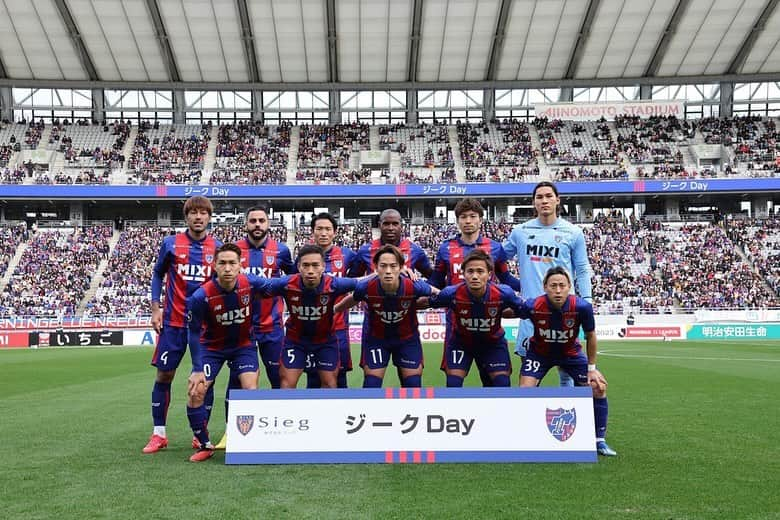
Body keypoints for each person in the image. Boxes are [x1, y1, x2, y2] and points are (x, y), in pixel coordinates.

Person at [142, 195, 221, 454]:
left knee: (205, 380)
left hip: (206, 327)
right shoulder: (171, 244)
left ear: (209, 217)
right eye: (193, 213)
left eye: (203, 213)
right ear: (186, 217)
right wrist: (156, 308)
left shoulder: (217, 247)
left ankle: (201, 435)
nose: (198, 217)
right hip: (174, 323)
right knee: (165, 375)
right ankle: (159, 434)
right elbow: (157, 274)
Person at [211, 205, 294, 450]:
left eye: (261, 220)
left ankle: (284, 430)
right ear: (245, 224)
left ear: (268, 223)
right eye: (253, 221)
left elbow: (291, 283)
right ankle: (231, 432)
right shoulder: (233, 252)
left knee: (279, 379)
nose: (257, 225)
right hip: (240, 328)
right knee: (237, 380)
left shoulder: (281, 251)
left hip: (272, 327)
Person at [514, 266, 617, 456]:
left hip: (570, 354)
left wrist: (592, 369)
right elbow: (511, 311)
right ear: (545, 287)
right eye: (553, 285)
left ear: (569, 287)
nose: (558, 290)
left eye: (562, 285)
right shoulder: (533, 305)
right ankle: (529, 435)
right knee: (525, 391)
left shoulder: (581, 307)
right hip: (539, 353)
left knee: (598, 386)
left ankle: (599, 440)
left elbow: (591, 335)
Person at [503, 181, 593, 387]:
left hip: (564, 309)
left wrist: (587, 300)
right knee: (528, 373)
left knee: (567, 372)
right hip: (531, 312)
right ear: (534, 203)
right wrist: (514, 284)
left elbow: (581, 268)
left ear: (557, 200)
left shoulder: (573, 232)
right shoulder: (520, 232)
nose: (544, 201)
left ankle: (569, 416)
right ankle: (529, 417)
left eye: (548, 196)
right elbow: (497, 260)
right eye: (539, 197)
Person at [185, 244, 268, 462]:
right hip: (211, 348)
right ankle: (204, 444)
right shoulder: (200, 296)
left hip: (243, 346)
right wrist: (196, 369)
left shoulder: (250, 282)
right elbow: (193, 334)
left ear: (240, 266)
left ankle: (245, 439)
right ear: (214, 265)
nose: (228, 268)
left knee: (250, 389)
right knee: (196, 391)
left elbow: (280, 285)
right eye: (222, 263)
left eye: (232, 263)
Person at [429, 197, 522, 387]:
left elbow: (506, 280)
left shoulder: (495, 248)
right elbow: (435, 283)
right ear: (457, 221)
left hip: (489, 325)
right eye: (463, 217)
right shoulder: (445, 248)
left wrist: (532, 286)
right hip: (457, 325)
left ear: (481, 219)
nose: (468, 221)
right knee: (453, 386)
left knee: (494, 385)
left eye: (473, 216)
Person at [334, 244, 437, 388]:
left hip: (407, 339)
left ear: (401, 267)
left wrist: (450, 301)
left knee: (413, 384)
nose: (388, 271)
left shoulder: (414, 285)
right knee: (371, 385)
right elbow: (352, 299)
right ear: (376, 267)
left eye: (393, 266)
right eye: (383, 266)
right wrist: (333, 310)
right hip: (376, 339)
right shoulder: (366, 286)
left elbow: (438, 293)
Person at [264, 244, 359, 389]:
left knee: (330, 384)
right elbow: (257, 287)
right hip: (295, 340)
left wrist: (383, 274)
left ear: (323, 267)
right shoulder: (286, 283)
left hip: (325, 340)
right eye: (306, 265)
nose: (310, 271)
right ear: (299, 267)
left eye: (315, 265)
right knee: (286, 385)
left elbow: (362, 283)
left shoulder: (333, 284)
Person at [424, 249, 523, 387]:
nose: (475, 276)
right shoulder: (451, 293)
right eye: (470, 271)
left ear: (489, 275)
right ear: (463, 274)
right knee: (453, 384)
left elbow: (525, 310)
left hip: (492, 343)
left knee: (502, 384)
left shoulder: (503, 293)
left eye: (480, 271)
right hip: (461, 343)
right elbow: (424, 302)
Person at [301, 212, 358, 389]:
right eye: (319, 229)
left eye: (328, 229)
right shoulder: (304, 257)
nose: (323, 233)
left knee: (340, 380)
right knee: (313, 379)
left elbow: (357, 284)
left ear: (335, 232)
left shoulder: (347, 255)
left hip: (338, 328)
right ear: (313, 232)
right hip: (311, 329)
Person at [349, 208, 433, 278]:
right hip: (374, 298)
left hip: (405, 298)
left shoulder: (415, 250)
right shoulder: (365, 251)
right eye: (386, 224)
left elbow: (432, 278)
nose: (391, 228)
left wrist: (422, 293)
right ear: (379, 225)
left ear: (401, 226)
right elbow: (353, 280)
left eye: (395, 224)